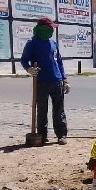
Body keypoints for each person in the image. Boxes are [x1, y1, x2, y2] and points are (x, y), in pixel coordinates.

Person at [21, 17, 69, 145]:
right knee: (42, 110)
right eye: (50, 27)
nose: (52, 30)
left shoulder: (53, 43)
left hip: (56, 81)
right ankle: (42, 135)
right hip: (41, 82)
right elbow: (24, 59)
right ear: (43, 28)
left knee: (59, 110)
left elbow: (59, 62)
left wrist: (65, 79)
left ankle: (61, 135)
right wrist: (29, 69)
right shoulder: (32, 43)